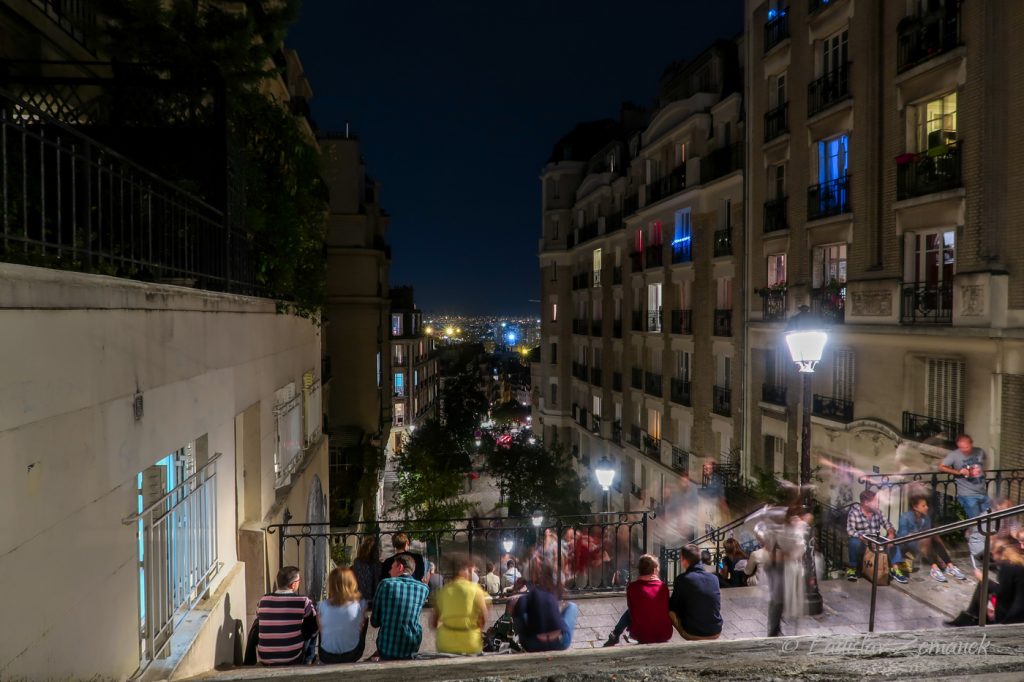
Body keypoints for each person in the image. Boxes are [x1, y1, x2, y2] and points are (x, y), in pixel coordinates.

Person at [947, 542, 1024, 627]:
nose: (993, 558)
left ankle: (971, 618)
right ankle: (971, 616)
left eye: (992, 554)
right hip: (1016, 608)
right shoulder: (1018, 563)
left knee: (983, 583)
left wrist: (983, 578)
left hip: (1012, 616)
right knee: (982, 585)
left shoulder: (1008, 566)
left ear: (998, 553)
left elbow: (1002, 593)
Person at [893, 494, 966, 582]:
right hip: (906, 543)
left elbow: (930, 534)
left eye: (926, 505)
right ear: (915, 507)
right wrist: (920, 536)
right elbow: (902, 535)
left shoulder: (926, 518)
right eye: (923, 506)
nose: (926, 507)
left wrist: (943, 549)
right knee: (927, 538)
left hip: (922, 543)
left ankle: (950, 566)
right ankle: (934, 568)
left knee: (933, 535)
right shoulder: (905, 516)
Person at [602, 554, 672, 647]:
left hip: (641, 635)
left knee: (631, 610)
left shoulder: (632, 587)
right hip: (664, 634)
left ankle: (615, 634)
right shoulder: (663, 587)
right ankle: (616, 634)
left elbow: (632, 610)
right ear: (655, 570)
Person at [255, 566, 318, 665]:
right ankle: (307, 661)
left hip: (265, 657)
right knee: (314, 626)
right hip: (293, 657)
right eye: (299, 580)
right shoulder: (303, 601)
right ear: (293, 585)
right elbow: (314, 627)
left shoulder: (262, 601)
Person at [371, 554, 429, 660]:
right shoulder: (423, 588)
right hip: (411, 646)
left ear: (400, 567)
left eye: (392, 567)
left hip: (387, 647)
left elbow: (374, 622)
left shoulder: (385, 584)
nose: (389, 571)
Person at [431, 556, 489, 655]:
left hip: (445, 644)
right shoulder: (476, 590)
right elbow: (484, 618)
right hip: (471, 643)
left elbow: (434, 623)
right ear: (462, 571)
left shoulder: (442, 592)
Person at [846, 490, 905, 584]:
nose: (878, 504)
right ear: (866, 503)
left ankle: (895, 570)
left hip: (876, 540)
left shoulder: (878, 512)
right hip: (863, 541)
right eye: (875, 501)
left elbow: (888, 525)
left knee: (894, 538)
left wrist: (891, 534)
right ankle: (852, 569)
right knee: (853, 541)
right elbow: (850, 530)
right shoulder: (854, 513)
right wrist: (863, 538)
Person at [508, 573, 579, 652]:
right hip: (560, 642)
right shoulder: (552, 594)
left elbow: (518, 613)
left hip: (533, 645)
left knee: (522, 614)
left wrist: (517, 594)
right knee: (572, 606)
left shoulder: (527, 597)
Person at [668, 544, 723, 641]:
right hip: (715, 630)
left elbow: (673, 606)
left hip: (692, 632)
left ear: (684, 560)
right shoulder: (714, 578)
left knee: (670, 612)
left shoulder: (682, 579)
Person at [317, 567, 367, 664]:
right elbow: (361, 627)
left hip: (326, 655)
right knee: (364, 620)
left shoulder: (321, 605)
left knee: (323, 623)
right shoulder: (360, 605)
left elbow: (321, 629)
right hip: (352, 653)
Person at [938, 434, 992, 520]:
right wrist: (958, 472)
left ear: (971, 444)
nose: (964, 450)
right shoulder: (954, 455)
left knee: (989, 518)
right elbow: (941, 467)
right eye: (961, 448)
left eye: (966, 447)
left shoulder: (979, 451)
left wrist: (984, 471)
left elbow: (985, 460)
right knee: (976, 521)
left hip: (982, 491)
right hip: (967, 494)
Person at [351, 536, 380, 610]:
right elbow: (377, 582)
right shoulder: (376, 564)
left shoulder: (357, 562)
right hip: (371, 599)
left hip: (358, 598)